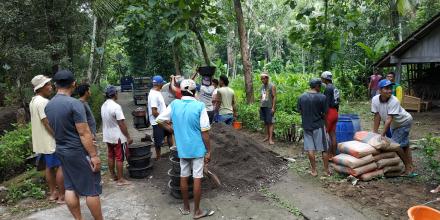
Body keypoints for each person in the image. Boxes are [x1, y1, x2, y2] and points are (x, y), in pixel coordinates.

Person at [45, 70, 103, 220]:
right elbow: (84, 133)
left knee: (70, 187)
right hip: (77, 151)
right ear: (73, 83)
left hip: (62, 150)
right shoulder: (75, 104)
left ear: (55, 85)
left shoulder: (49, 106)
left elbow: (52, 128)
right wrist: (94, 155)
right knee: (91, 189)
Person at [156, 79, 215, 219]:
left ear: (181, 91)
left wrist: (171, 129)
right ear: (195, 92)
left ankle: (186, 208)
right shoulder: (200, 106)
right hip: (197, 149)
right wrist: (208, 151)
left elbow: (159, 119)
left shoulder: (174, 104)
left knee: (183, 176)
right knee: (197, 178)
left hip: (182, 150)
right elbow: (204, 132)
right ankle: (197, 212)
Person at [30, 75, 65, 204]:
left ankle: (53, 193)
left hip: (42, 143)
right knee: (61, 166)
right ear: (41, 88)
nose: (51, 87)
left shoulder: (33, 101)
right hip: (50, 141)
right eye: (48, 85)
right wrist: (58, 136)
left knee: (49, 168)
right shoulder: (43, 102)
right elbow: (46, 122)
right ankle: (62, 196)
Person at [372, 79, 415, 176]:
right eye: (386, 88)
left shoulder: (394, 100)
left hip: (404, 122)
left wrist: (382, 135)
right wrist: (374, 132)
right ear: (379, 90)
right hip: (395, 124)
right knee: (405, 144)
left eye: (390, 88)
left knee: (395, 145)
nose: (389, 90)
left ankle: (408, 166)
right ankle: (411, 165)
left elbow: (388, 119)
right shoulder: (375, 100)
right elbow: (377, 116)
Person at [297, 78, 331, 176]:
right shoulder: (322, 97)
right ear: (317, 86)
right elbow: (325, 114)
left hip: (307, 126)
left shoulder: (301, 97)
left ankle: (314, 171)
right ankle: (326, 171)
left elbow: (300, 111)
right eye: (320, 86)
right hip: (318, 126)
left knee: (310, 149)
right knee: (324, 148)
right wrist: (327, 126)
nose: (320, 87)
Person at [101, 85, 133, 186]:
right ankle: (120, 179)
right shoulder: (116, 107)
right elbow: (121, 124)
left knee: (111, 156)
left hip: (107, 135)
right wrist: (128, 137)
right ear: (114, 94)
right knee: (120, 157)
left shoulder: (103, 105)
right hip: (117, 136)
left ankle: (113, 175)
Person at [148, 75, 174, 160]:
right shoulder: (153, 95)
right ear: (159, 84)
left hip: (163, 120)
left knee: (169, 134)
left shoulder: (157, 92)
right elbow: (154, 112)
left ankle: (172, 153)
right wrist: (164, 120)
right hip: (158, 122)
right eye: (162, 83)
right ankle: (158, 158)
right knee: (158, 141)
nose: (163, 84)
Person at [321, 71, 340, 158]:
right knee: (333, 134)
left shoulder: (328, 89)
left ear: (325, 78)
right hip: (335, 112)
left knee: (326, 135)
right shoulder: (335, 87)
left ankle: (328, 155)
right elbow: (337, 102)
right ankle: (333, 154)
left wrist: (323, 115)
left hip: (329, 112)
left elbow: (326, 103)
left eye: (322, 78)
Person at [259, 72, 276, 145]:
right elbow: (262, 96)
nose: (262, 80)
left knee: (270, 123)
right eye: (261, 79)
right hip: (263, 106)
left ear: (267, 78)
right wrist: (260, 104)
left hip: (269, 107)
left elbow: (274, 97)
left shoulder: (272, 86)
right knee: (265, 122)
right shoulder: (262, 86)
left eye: (263, 79)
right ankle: (267, 136)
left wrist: (273, 107)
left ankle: (270, 139)